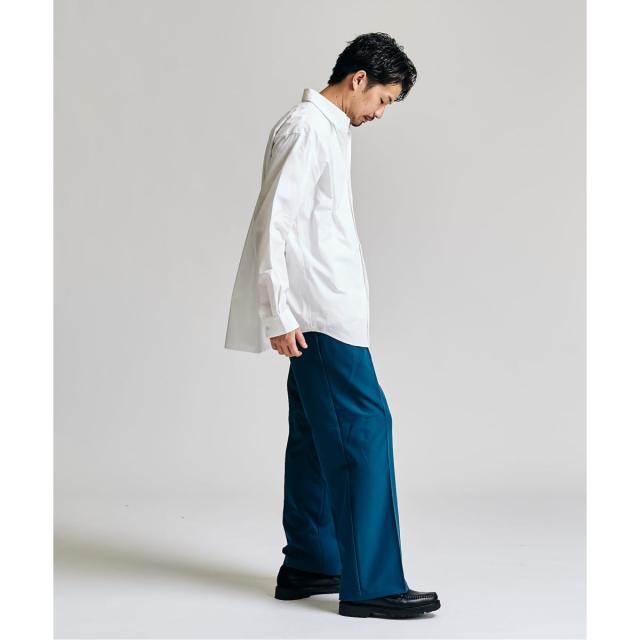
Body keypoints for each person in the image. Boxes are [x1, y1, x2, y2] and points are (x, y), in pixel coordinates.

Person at [224, 32, 441, 619]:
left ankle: (311, 563)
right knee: (365, 428)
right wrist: (276, 311)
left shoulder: (328, 129)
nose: (381, 113)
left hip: (323, 311)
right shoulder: (307, 128)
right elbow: (274, 222)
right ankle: (372, 585)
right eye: (384, 99)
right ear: (358, 79)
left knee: (317, 437)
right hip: (319, 316)